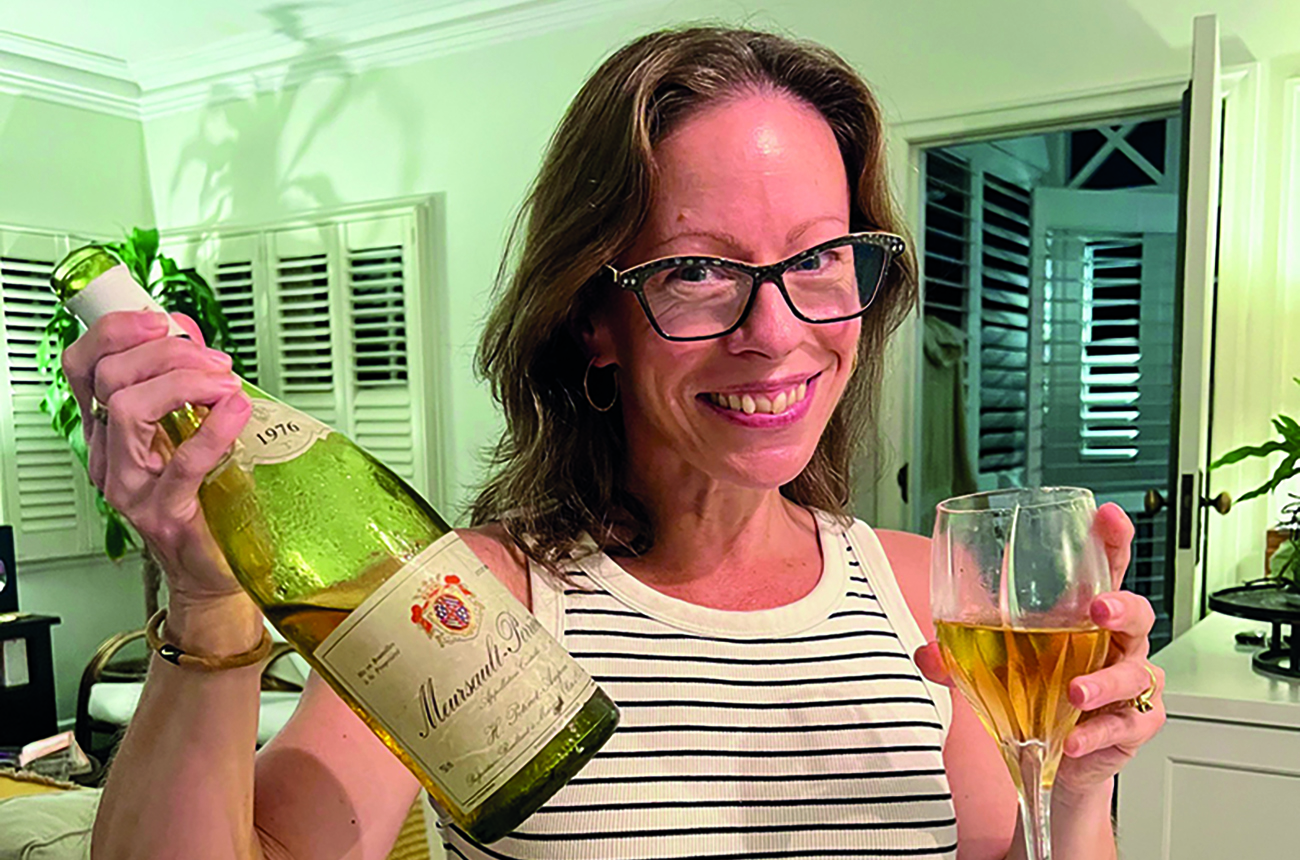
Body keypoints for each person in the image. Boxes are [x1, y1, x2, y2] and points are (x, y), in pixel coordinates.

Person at [64, 26, 1164, 860]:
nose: (776, 332)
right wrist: (206, 600)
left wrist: (1075, 788)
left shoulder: (944, 597)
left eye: (820, 257)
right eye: (696, 269)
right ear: (591, 318)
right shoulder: (472, 602)